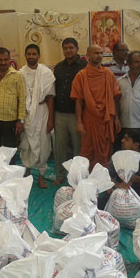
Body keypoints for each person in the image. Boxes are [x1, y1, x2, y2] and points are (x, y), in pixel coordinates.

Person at [72, 44, 122, 169]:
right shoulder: (81, 75)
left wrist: (116, 118)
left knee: (105, 151)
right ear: (88, 56)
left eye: (101, 53)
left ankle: (104, 180)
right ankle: (87, 181)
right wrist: (79, 122)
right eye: (96, 53)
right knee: (87, 151)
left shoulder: (108, 74)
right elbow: (78, 100)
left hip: (106, 119)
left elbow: (114, 98)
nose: (99, 56)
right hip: (89, 119)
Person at [97, 128, 140, 210]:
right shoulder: (118, 157)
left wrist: (138, 180)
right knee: (100, 199)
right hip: (120, 193)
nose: (122, 140)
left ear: (136, 145)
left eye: (126, 139)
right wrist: (117, 185)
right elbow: (107, 175)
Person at [19, 44, 55, 188]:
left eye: (34, 54)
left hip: (42, 111)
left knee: (43, 143)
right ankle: (27, 172)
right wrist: (20, 119)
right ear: (25, 55)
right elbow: (19, 98)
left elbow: (51, 97)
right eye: (29, 54)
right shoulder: (20, 73)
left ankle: (40, 176)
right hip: (26, 113)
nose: (31, 57)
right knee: (26, 144)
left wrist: (51, 119)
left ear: (38, 56)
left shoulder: (46, 73)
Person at [53, 37, 88, 182]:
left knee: (77, 147)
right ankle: (60, 175)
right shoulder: (59, 67)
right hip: (60, 113)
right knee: (59, 147)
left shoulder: (85, 66)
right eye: (65, 48)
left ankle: (76, 177)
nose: (68, 50)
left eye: (71, 48)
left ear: (77, 49)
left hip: (77, 115)